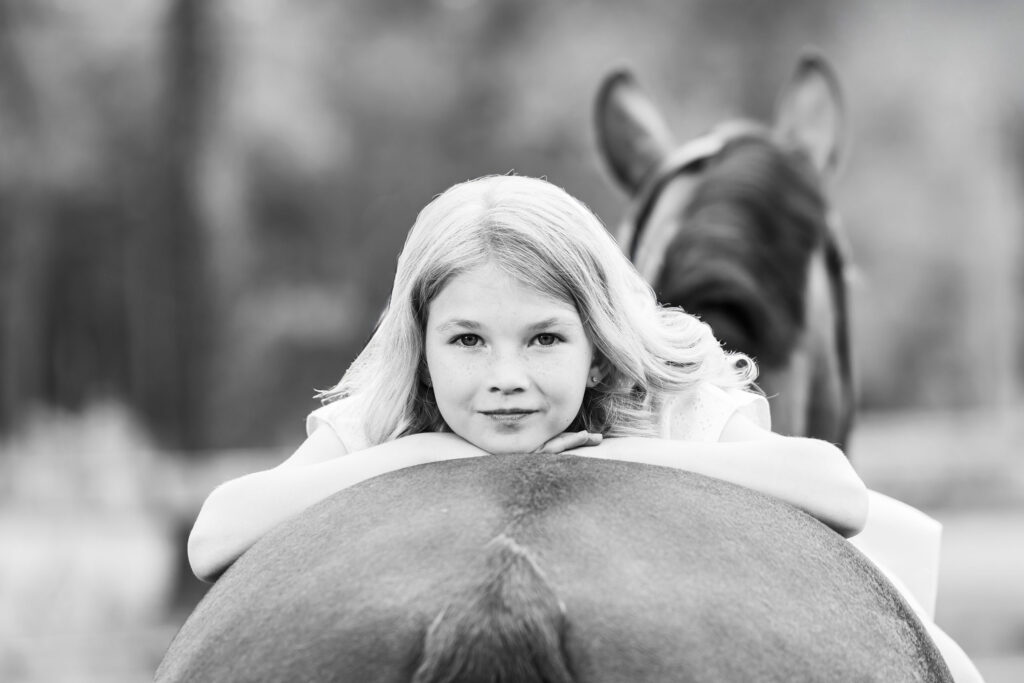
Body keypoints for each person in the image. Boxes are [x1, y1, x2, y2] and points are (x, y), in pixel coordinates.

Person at [188, 173, 867, 583]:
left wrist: (620, 457)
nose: (505, 377)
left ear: (597, 347)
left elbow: (840, 492)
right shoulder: (391, 415)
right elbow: (212, 537)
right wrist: (418, 452)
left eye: (544, 338)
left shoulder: (661, 404)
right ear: (423, 349)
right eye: (467, 340)